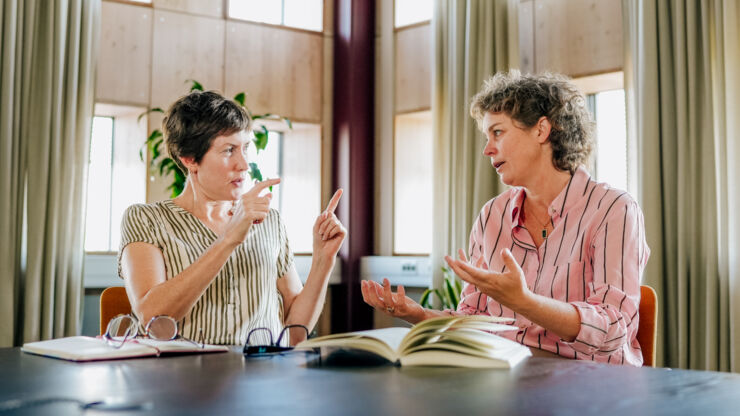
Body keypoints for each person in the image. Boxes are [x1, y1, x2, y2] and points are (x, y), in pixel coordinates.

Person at [361, 71, 650, 365]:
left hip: (592, 389)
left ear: (541, 130)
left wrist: (525, 302)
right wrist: (419, 314)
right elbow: (474, 318)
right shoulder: (491, 216)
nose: (487, 149)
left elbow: (613, 330)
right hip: (510, 380)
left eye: (497, 132)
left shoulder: (613, 209)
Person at [118, 90, 346, 346]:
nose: (244, 164)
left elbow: (294, 333)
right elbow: (153, 319)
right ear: (190, 159)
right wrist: (228, 240)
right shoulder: (146, 219)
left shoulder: (270, 221)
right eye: (229, 150)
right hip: (183, 377)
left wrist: (323, 261)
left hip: (264, 376)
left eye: (245, 148)